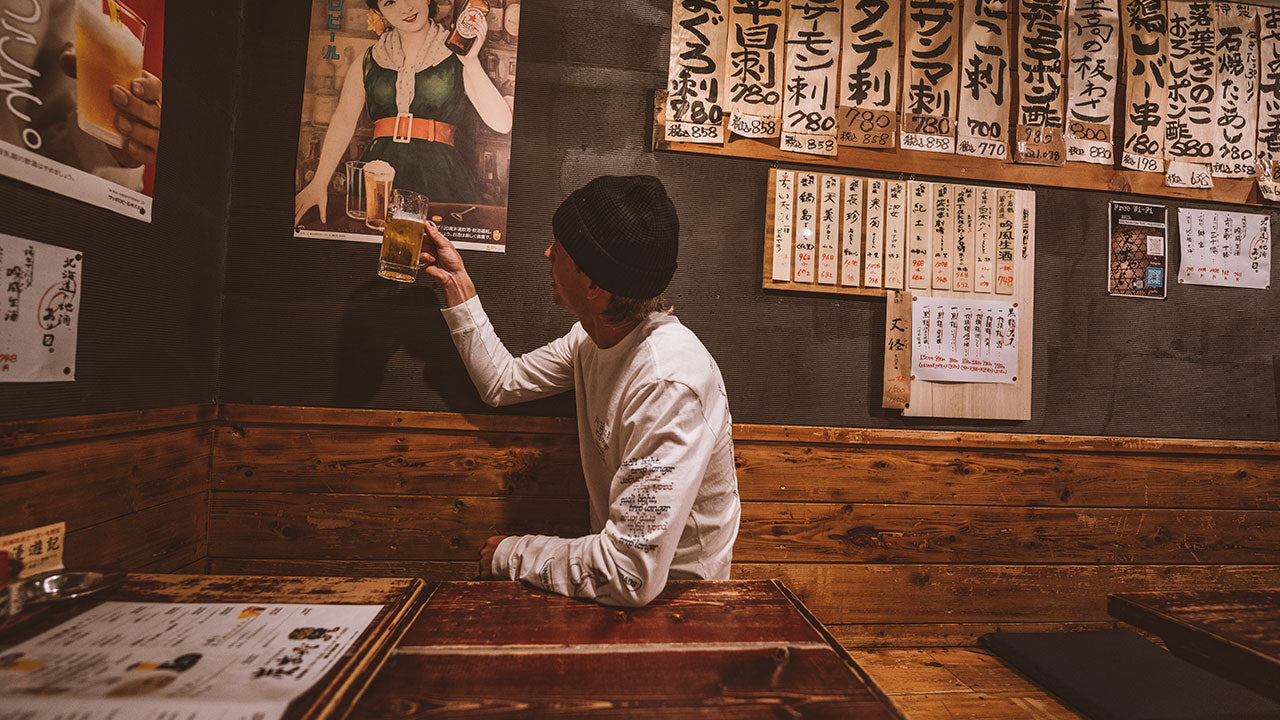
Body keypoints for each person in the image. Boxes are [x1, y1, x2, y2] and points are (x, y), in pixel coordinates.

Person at [420, 175, 741, 607]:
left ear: (595, 286)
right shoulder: (590, 340)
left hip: (684, 602)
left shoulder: (668, 381)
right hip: (619, 590)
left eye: (562, 249)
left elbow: (630, 574)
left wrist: (513, 554)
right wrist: (456, 285)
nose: (547, 253)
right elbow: (501, 383)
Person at [294, 0, 512, 225]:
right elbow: (344, 119)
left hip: (440, 177)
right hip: (377, 176)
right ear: (379, 11)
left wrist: (471, 62)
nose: (406, 7)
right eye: (390, 2)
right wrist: (319, 182)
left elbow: (503, 124)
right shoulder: (369, 59)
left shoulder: (458, 54)